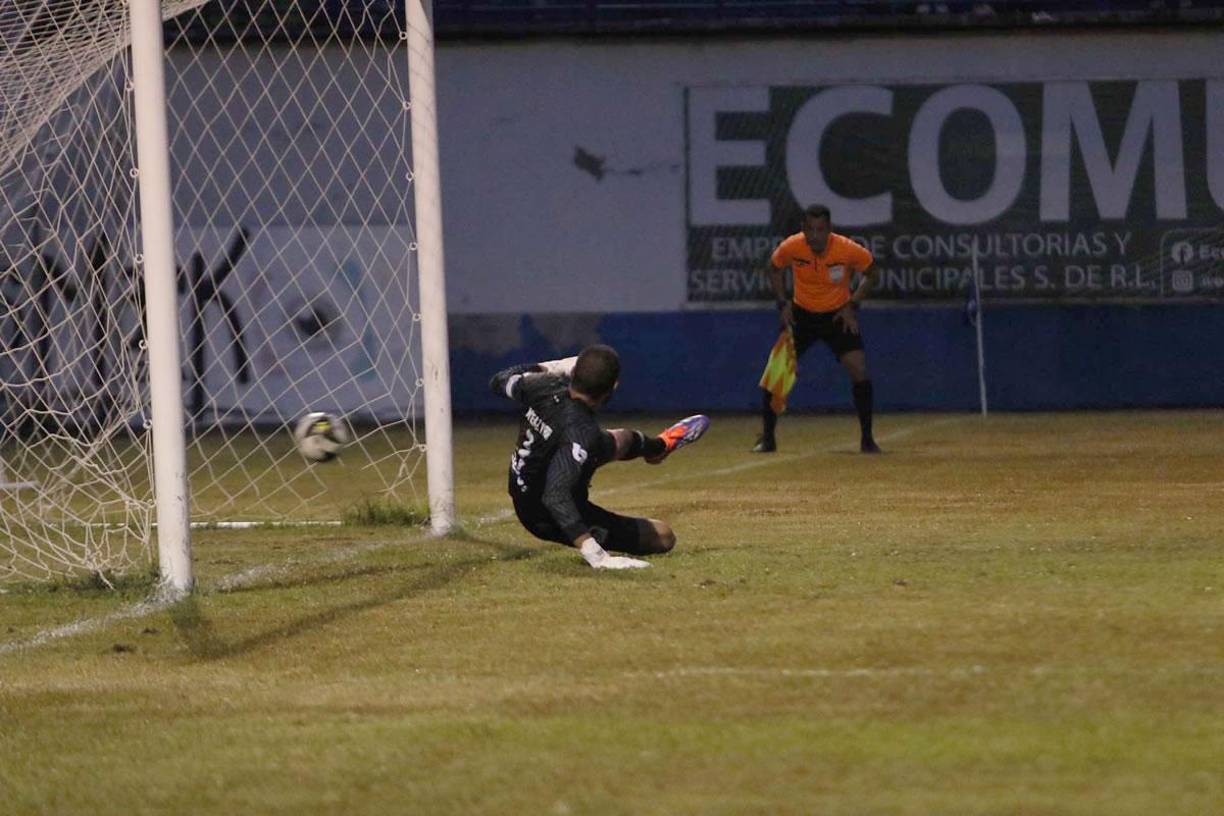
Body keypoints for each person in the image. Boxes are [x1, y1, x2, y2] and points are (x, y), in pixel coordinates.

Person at [490, 344, 709, 570]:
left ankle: (660, 446)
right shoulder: (582, 433)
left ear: (572, 373)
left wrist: (554, 366)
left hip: (534, 471)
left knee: (621, 439)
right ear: (613, 388)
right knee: (663, 536)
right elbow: (555, 496)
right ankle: (657, 450)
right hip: (542, 515)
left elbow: (500, 380)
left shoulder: (542, 385)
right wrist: (596, 554)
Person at [752, 204, 881, 454]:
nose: (815, 235)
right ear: (803, 229)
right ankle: (768, 438)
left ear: (829, 230)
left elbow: (873, 273)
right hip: (802, 315)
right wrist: (782, 303)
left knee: (859, 369)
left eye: (820, 229)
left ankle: (867, 439)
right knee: (777, 371)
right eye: (810, 229)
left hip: (837, 316)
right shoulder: (792, 246)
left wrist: (852, 305)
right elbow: (774, 268)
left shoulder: (846, 248)